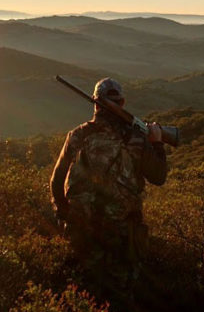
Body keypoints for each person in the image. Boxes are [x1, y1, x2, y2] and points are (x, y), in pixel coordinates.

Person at [50, 77, 167, 299]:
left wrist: (64, 215)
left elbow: (57, 181)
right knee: (119, 299)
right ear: (122, 103)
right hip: (122, 238)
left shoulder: (78, 135)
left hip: (82, 234)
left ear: (95, 103)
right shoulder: (137, 138)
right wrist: (157, 142)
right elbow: (159, 177)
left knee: (82, 296)